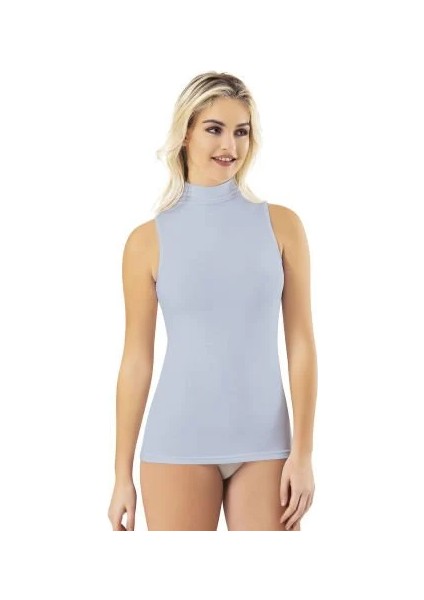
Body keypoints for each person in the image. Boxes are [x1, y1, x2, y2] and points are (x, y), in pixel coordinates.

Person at [107, 71, 317, 531]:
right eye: (214, 129)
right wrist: (121, 474)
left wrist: (303, 453)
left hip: (268, 446)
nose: (230, 145)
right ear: (186, 134)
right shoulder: (146, 241)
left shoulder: (282, 226)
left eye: (241, 131)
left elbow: (301, 345)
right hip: (177, 442)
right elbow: (136, 360)